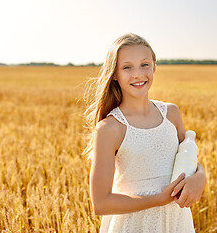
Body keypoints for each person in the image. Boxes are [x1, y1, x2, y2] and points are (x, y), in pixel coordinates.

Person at [82, 33, 207, 232]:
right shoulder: (109, 128)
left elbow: (188, 159)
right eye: (127, 67)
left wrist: (201, 177)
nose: (138, 74)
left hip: (175, 221)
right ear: (114, 74)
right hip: (133, 225)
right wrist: (158, 200)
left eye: (144, 64)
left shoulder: (171, 114)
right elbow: (101, 203)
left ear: (154, 66)